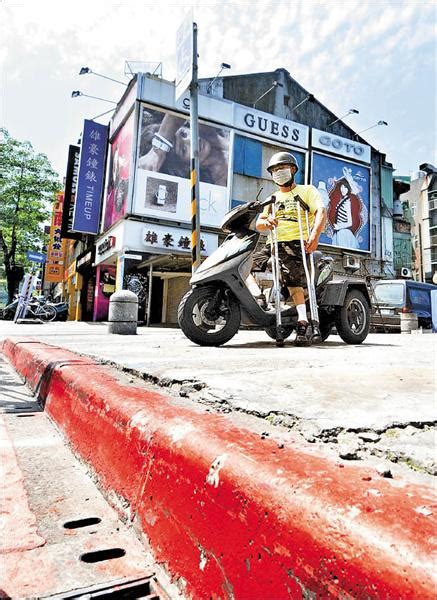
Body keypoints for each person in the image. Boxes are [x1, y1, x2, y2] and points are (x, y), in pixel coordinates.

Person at [253, 152, 327, 346]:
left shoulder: (307, 191)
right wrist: (266, 221)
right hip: (272, 244)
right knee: (245, 263)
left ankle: (303, 322)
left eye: (281, 168)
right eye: (275, 170)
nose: (278, 173)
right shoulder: (272, 198)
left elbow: (321, 212)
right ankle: (259, 297)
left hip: (294, 242)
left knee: (292, 278)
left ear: (293, 169)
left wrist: (315, 235)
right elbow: (259, 224)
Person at [327, 169, 363, 249]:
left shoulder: (347, 202)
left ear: (348, 189)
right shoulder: (342, 200)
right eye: (342, 187)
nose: (343, 189)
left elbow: (350, 223)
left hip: (344, 233)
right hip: (339, 232)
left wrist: (339, 227)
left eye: (345, 188)